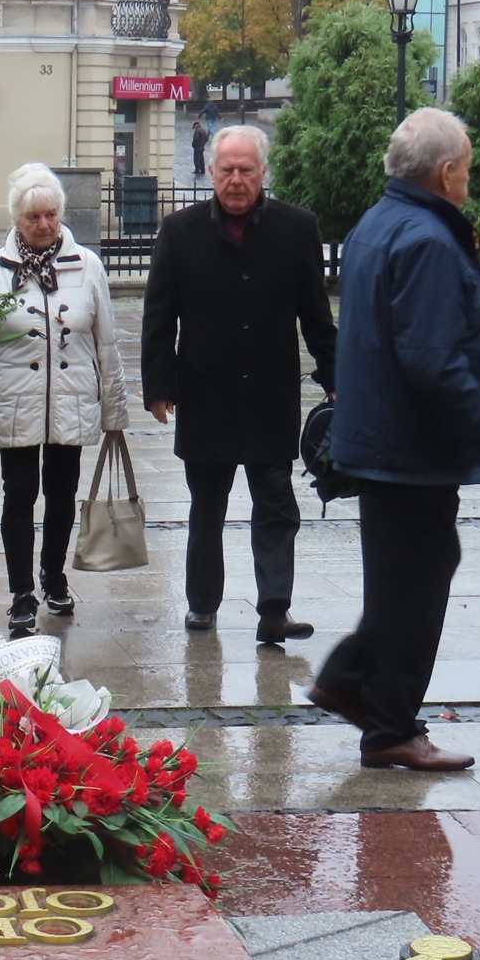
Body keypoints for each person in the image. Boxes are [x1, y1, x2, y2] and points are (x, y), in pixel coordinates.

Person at [312, 107, 480, 771]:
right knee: (415, 585)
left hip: (384, 441)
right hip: (411, 448)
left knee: (406, 579)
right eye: (466, 169)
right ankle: (385, 722)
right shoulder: (428, 239)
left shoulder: (377, 223)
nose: (469, 180)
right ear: (444, 172)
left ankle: (355, 688)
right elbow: (432, 360)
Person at [141, 124, 336, 644]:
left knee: (276, 505)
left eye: (245, 170)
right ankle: (202, 604)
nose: (235, 179)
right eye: (226, 169)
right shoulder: (179, 231)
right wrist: (158, 386)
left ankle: (274, 609)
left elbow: (316, 315)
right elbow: (159, 316)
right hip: (205, 394)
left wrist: (335, 377)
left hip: (271, 394)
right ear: (210, 172)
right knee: (207, 506)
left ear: (262, 172)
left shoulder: (297, 229)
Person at [0, 164, 128, 635]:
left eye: (51, 214)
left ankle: (53, 575)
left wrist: (114, 411)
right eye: (32, 216)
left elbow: (106, 343)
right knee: (18, 494)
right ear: (16, 218)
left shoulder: (87, 265)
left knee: (61, 492)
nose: (43, 224)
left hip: (72, 398)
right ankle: (20, 594)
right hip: (14, 401)